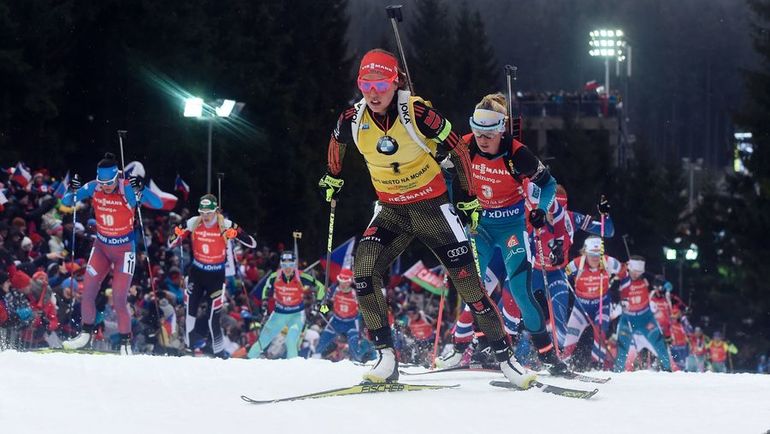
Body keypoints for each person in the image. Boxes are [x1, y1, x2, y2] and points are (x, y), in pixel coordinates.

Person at [319, 49, 534, 388]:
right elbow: (336, 140)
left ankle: (507, 360)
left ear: (396, 82)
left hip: (431, 209)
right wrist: (333, 175)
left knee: (470, 287)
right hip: (391, 210)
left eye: (381, 84)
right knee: (363, 271)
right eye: (365, 84)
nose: (373, 92)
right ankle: (386, 358)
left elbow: (459, 149)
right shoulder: (353, 118)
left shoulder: (417, 112)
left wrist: (467, 196)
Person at [438, 93, 567, 375]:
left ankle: (549, 358)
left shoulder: (518, 154)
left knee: (520, 293)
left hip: (511, 229)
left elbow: (548, 185)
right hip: (479, 227)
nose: (482, 140)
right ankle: (477, 345)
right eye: (478, 132)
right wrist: (452, 206)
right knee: (474, 289)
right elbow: (444, 175)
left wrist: (541, 210)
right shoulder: (465, 146)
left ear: (501, 130)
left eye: (488, 134)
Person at [61, 153, 161, 355]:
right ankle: (85, 335)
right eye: (102, 182)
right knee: (87, 292)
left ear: (117, 177)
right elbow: (67, 201)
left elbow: (158, 204)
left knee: (119, 299)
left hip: (124, 251)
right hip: (101, 248)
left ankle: (125, 343)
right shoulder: (94, 187)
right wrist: (72, 190)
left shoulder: (128, 189)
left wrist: (142, 188)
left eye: (109, 182)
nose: (105, 186)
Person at [168, 194, 256, 357]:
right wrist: (177, 234)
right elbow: (171, 242)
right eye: (202, 212)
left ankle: (218, 351)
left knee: (213, 317)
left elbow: (252, 242)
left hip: (216, 276)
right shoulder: (193, 222)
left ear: (216, 211)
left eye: (209, 212)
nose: (205, 216)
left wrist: (236, 235)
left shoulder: (225, 224)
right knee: (190, 311)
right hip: (197, 273)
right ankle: (189, 347)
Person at [530, 185, 613, 353]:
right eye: (550, 211)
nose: (553, 216)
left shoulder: (572, 219)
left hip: (557, 274)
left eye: (559, 210)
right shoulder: (535, 218)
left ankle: (560, 356)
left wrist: (605, 215)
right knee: (522, 312)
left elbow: (608, 231)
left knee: (559, 320)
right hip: (535, 272)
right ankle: (511, 353)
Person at [248, 251, 325, 359]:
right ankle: (249, 361)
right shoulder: (274, 277)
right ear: (281, 264)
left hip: (296, 315)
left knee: (291, 341)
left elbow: (321, 287)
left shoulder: (302, 277)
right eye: (284, 265)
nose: (288, 268)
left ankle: (292, 366)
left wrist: (318, 303)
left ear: (295, 264)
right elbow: (266, 288)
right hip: (279, 314)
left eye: (291, 265)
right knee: (263, 341)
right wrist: (264, 302)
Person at [566, 236, 628, 365]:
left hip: (601, 305)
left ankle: (597, 365)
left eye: (598, 255)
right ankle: (563, 362)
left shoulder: (609, 262)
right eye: (591, 254)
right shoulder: (576, 264)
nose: (595, 258)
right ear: (585, 252)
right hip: (581, 306)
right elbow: (561, 275)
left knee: (600, 331)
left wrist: (624, 298)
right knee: (571, 334)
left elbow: (625, 274)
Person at [612, 256, 671, 372]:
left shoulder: (646, 278)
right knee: (622, 346)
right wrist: (619, 302)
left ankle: (667, 369)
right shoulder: (622, 279)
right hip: (628, 318)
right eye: (634, 271)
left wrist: (666, 285)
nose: (636, 274)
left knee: (659, 343)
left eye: (639, 272)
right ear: (629, 268)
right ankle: (617, 372)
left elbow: (664, 283)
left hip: (646, 318)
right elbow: (612, 291)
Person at [314, 268, 366, 361]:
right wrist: (321, 309)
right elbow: (328, 305)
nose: (342, 285)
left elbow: (364, 309)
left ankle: (357, 362)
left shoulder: (356, 292)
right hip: (336, 320)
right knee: (324, 338)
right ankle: (315, 358)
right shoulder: (334, 289)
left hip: (351, 322)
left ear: (350, 282)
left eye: (345, 282)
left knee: (353, 343)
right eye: (341, 282)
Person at [668, 305, 692, 371]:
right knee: (675, 361)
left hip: (682, 345)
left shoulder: (683, 321)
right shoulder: (671, 322)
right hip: (674, 345)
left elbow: (689, 330)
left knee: (682, 362)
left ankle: (683, 369)